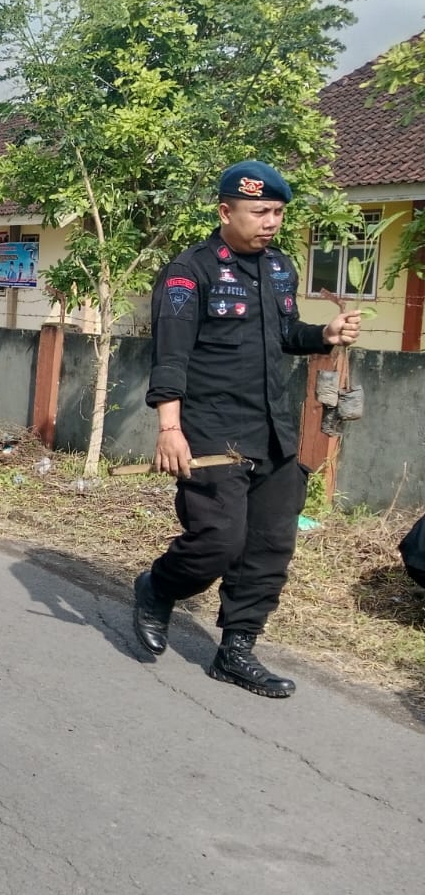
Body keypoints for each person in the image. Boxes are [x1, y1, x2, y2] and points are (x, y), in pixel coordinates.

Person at [132, 160, 362, 698]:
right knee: (217, 540)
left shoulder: (280, 268)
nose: (271, 222)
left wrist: (324, 334)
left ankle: (236, 651)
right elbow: (171, 355)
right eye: (260, 211)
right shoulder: (190, 271)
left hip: (274, 430)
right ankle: (159, 586)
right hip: (212, 430)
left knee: (269, 545)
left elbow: (285, 334)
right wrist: (169, 428)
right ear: (225, 211)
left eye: (277, 212)